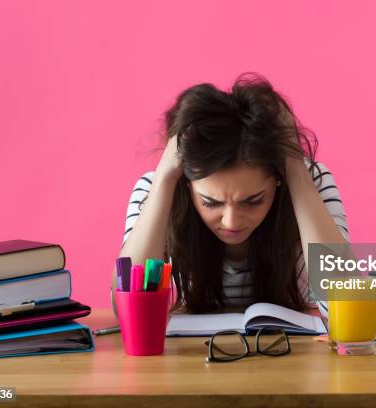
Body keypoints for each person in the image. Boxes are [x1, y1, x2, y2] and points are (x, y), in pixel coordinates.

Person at [111, 72, 349, 316]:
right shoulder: (158, 189)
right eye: (211, 202)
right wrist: (163, 180)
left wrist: (296, 170)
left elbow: (346, 299)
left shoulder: (309, 182)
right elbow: (128, 313)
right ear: (187, 183)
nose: (231, 222)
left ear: (279, 180)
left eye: (253, 200)